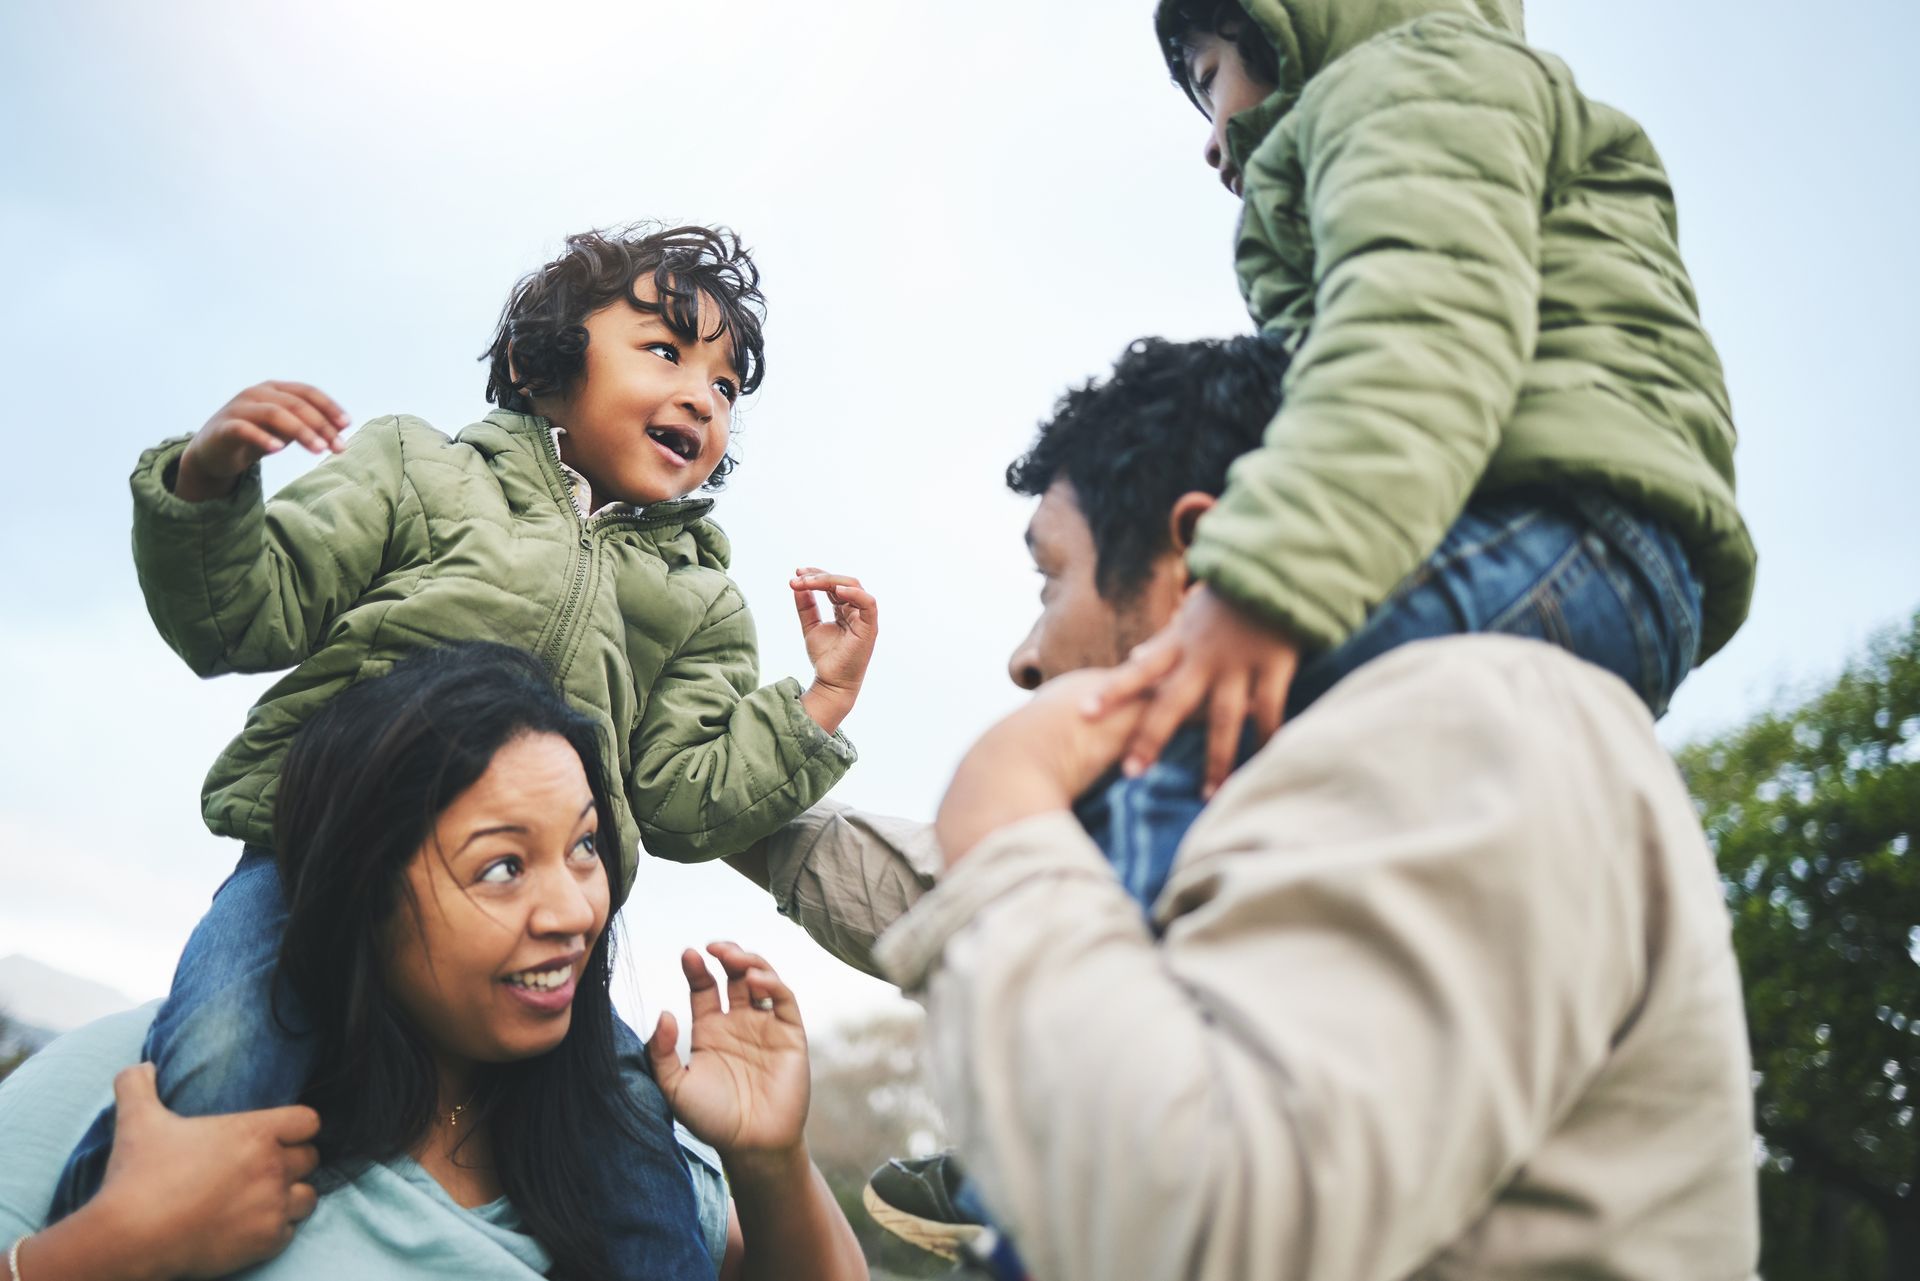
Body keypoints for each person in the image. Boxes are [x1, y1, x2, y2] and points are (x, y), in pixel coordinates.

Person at [732, 334, 1760, 1277]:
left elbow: (1198, 1237)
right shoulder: (1320, 799)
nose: (1026, 658)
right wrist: (695, 785)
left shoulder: (1486, 725)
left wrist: (1003, 809)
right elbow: (915, 886)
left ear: (1196, 565)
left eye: (1052, 581)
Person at [56, 224, 878, 1280]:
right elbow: (243, 617)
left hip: (540, 940)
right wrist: (208, 485)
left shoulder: (700, 601)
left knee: (642, 1181)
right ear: (543, 368)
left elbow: (679, 801)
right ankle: (92, 1237)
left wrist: (817, 706)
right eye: (666, 353)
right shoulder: (420, 471)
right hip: (311, 872)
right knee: (220, 1060)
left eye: (725, 385)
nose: (702, 398)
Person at [5, 643, 867, 1280]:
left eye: (584, 846)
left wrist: (768, 1158)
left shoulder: (617, 1146)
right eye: (501, 866)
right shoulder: (148, 1086)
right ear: (363, 885)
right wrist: (92, 1257)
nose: (575, 910)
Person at [1084, 0, 1757, 798]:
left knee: (1181, 756)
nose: (1206, 140)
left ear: (1280, 27)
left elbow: (1411, 338)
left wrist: (1262, 580)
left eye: (1209, 80)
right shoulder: (1423, 101)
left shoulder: (1412, 84)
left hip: (1550, 534)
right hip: (1599, 568)